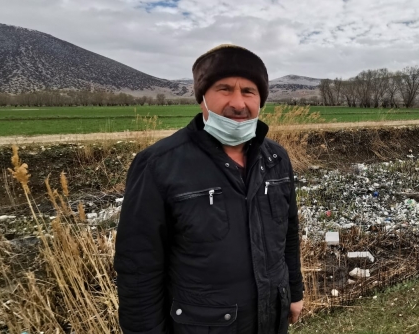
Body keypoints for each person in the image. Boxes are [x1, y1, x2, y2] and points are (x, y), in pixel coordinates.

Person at [114, 44, 304, 334]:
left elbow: (288, 232)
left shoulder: (276, 158)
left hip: (270, 321)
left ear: (260, 100)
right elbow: (139, 266)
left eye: (249, 91)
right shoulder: (159, 165)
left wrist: (294, 291)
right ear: (202, 96)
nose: (238, 103)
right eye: (224, 89)